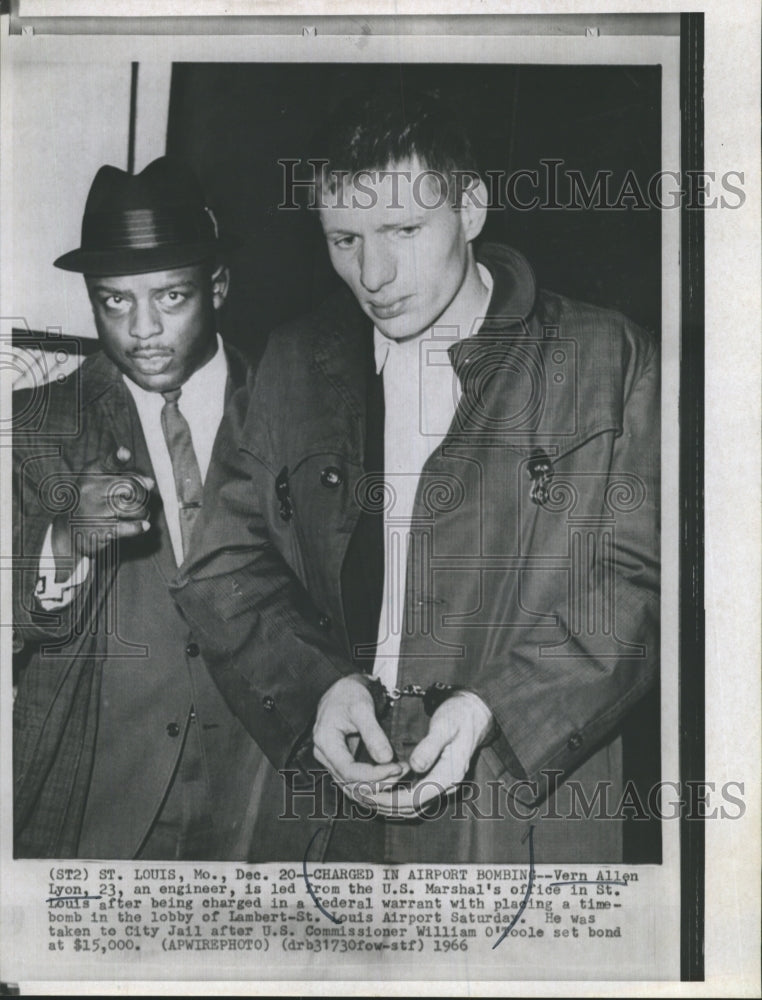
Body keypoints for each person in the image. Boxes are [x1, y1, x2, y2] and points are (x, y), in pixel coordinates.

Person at [172, 92, 660, 863]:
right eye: (345, 239)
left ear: (471, 210)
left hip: (518, 801)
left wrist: (493, 710)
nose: (374, 274)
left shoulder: (608, 358)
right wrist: (317, 690)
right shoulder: (293, 364)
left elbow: (645, 581)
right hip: (329, 803)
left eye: (403, 230)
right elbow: (223, 567)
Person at [12, 157, 275, 860]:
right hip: (94, 805)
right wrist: (64, 540)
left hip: (260, 802)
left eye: (171, 296)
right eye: (115, 302)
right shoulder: (36, 425)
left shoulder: (292, 403)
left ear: (217, 286)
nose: (143, 329)